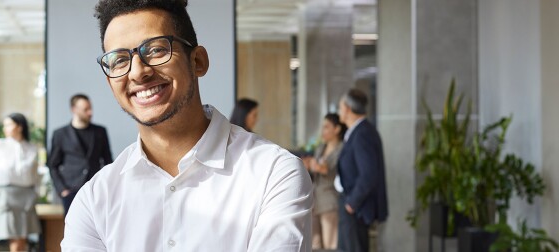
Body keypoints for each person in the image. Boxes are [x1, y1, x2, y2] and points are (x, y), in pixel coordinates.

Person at [61, 0, 313, 250]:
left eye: (156, 49)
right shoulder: (94, 200)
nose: (137, 72)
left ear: (198, 61)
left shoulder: (273, 173)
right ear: (110, 83)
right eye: (119, 61)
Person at [336, 89, 388, 252]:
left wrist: (351, 203)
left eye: (340, 107)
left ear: (347, 109)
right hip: (352, 206)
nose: (339, 111)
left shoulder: (362, 134)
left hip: (356, 209)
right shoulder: (357, 132)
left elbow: (369, 174)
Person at [0, 113, 41, 252]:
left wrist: (35, 194)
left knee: (23, 239)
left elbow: (37, 176)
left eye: (9, 124)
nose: (5, 128)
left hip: (26, 196)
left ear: (20, 127)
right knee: (13, 239)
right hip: (6, 195)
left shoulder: (31, 148)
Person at [47, 94, 113, 213]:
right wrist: (62, 190)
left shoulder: (100, 131)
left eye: (90, 108)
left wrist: (106, 186)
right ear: (74, 109)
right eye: (86, 109)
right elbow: (53, 165)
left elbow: (108, 161)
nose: (90, 112)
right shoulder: (60, 134)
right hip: (71, 191)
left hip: (96, 190)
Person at [304, 113, 345, 250]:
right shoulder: (320, 148)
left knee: (330, 243)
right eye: (322, 127)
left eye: (327, 127)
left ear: (337, 129)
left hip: (330, 201)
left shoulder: (342, 149)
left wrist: (319, 167)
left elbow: (334, 171)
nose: (323, 131)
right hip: (315, 201)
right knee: (314, 244)